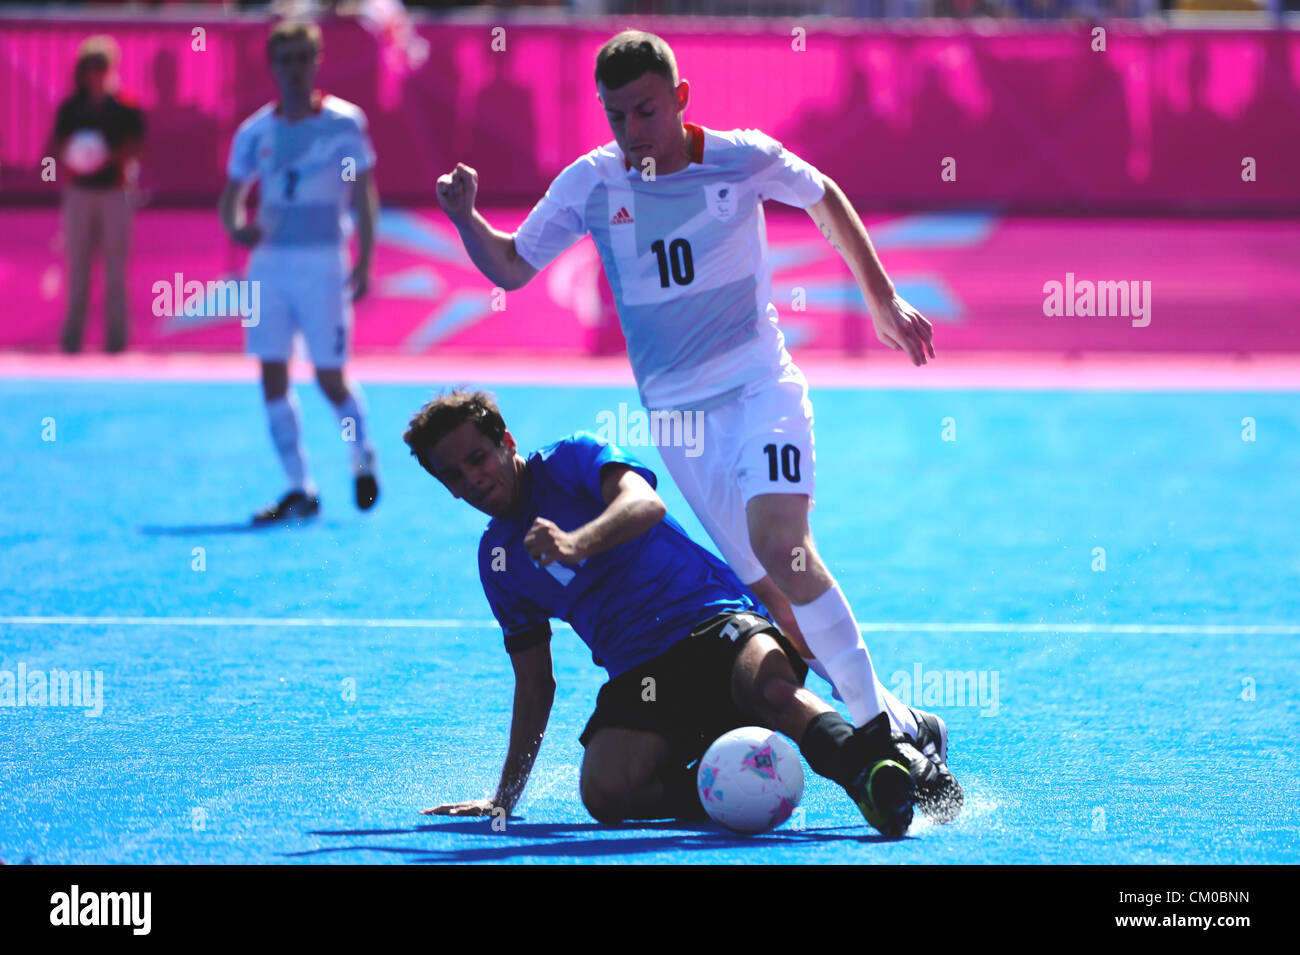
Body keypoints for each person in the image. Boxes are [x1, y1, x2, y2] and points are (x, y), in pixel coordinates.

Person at [435, 31, 937, 743]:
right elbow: (513, 266)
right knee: (772, 598)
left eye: (645, 111)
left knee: (784, 547)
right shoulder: (592, 182)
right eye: (615, 116)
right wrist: (465, 219)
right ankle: (906, 719)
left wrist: (881, 297)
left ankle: (877, 731)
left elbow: (824, 198)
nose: (632, 131)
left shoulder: (742, 156)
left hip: (760, 388)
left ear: (680, 99)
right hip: (678, 421)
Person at [403, 389, 962, 834]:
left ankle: (870, 773)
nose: (472, 479)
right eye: (451, 476)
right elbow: (535, 684)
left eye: (478, 458)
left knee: (772, 686)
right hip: (644, 679)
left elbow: (646, 504)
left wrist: (577, 544)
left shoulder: (572, 458)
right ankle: (735, 784)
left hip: (716, 621)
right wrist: (503, 799)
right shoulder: (498, 561)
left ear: (506, 441)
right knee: (606, 792)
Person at [219, 20, 380, 524]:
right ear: (272, 67)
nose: (292, 69)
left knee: (330, 377)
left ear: (316, 62)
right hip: (270, 266)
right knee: (271, 374)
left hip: (323, 264)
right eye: (283, 60)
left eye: (300, 59)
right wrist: (236, 226)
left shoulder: (343, 123)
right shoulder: (256, 132)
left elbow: (364, 194)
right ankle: (299, 488)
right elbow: (230, 199)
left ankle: (362, 457)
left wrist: (366, 257)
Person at [48, 35, 145, 355]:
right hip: (78, 194)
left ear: (111, 68)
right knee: (77, 269)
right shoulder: (70, 108)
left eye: (100, 66)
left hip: (115, 193)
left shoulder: (126, 107)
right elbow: (55, 148)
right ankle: (71, 342)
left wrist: (108, 157)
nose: (94, 73)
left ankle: (116, 343)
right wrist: (76, 160)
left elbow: (137, 149)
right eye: (88, 66)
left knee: (116, 271)